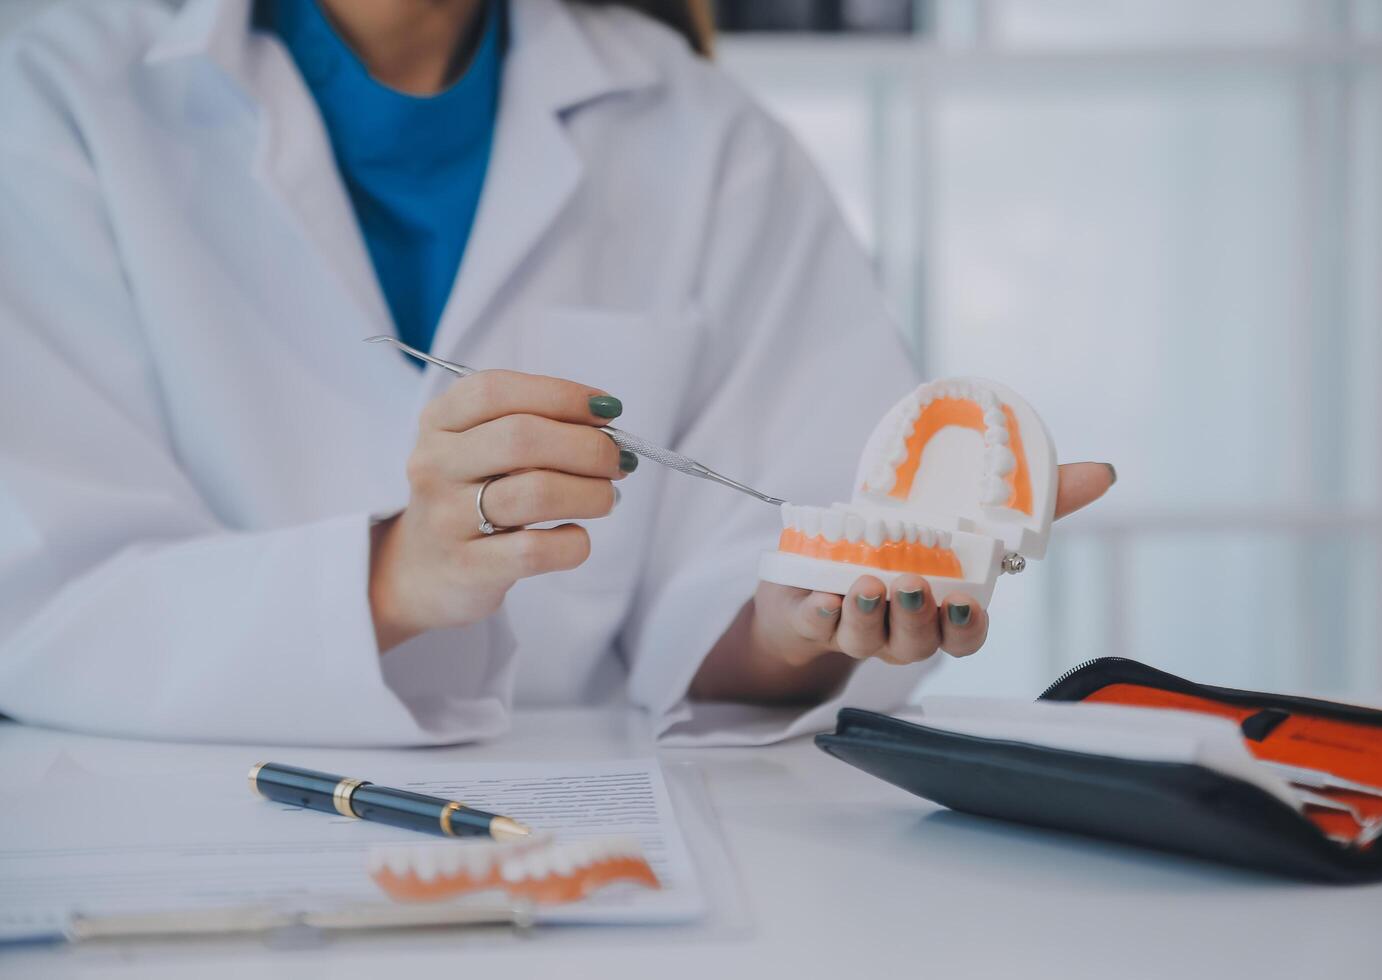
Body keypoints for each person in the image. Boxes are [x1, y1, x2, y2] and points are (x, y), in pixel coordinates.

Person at [0, 0, 1114, 746]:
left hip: (592, 853)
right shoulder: (53, 94)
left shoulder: (699, 129)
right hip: (176, 855)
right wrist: (396, 577)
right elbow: (41, 599)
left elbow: (741, 615)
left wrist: (792, 626)